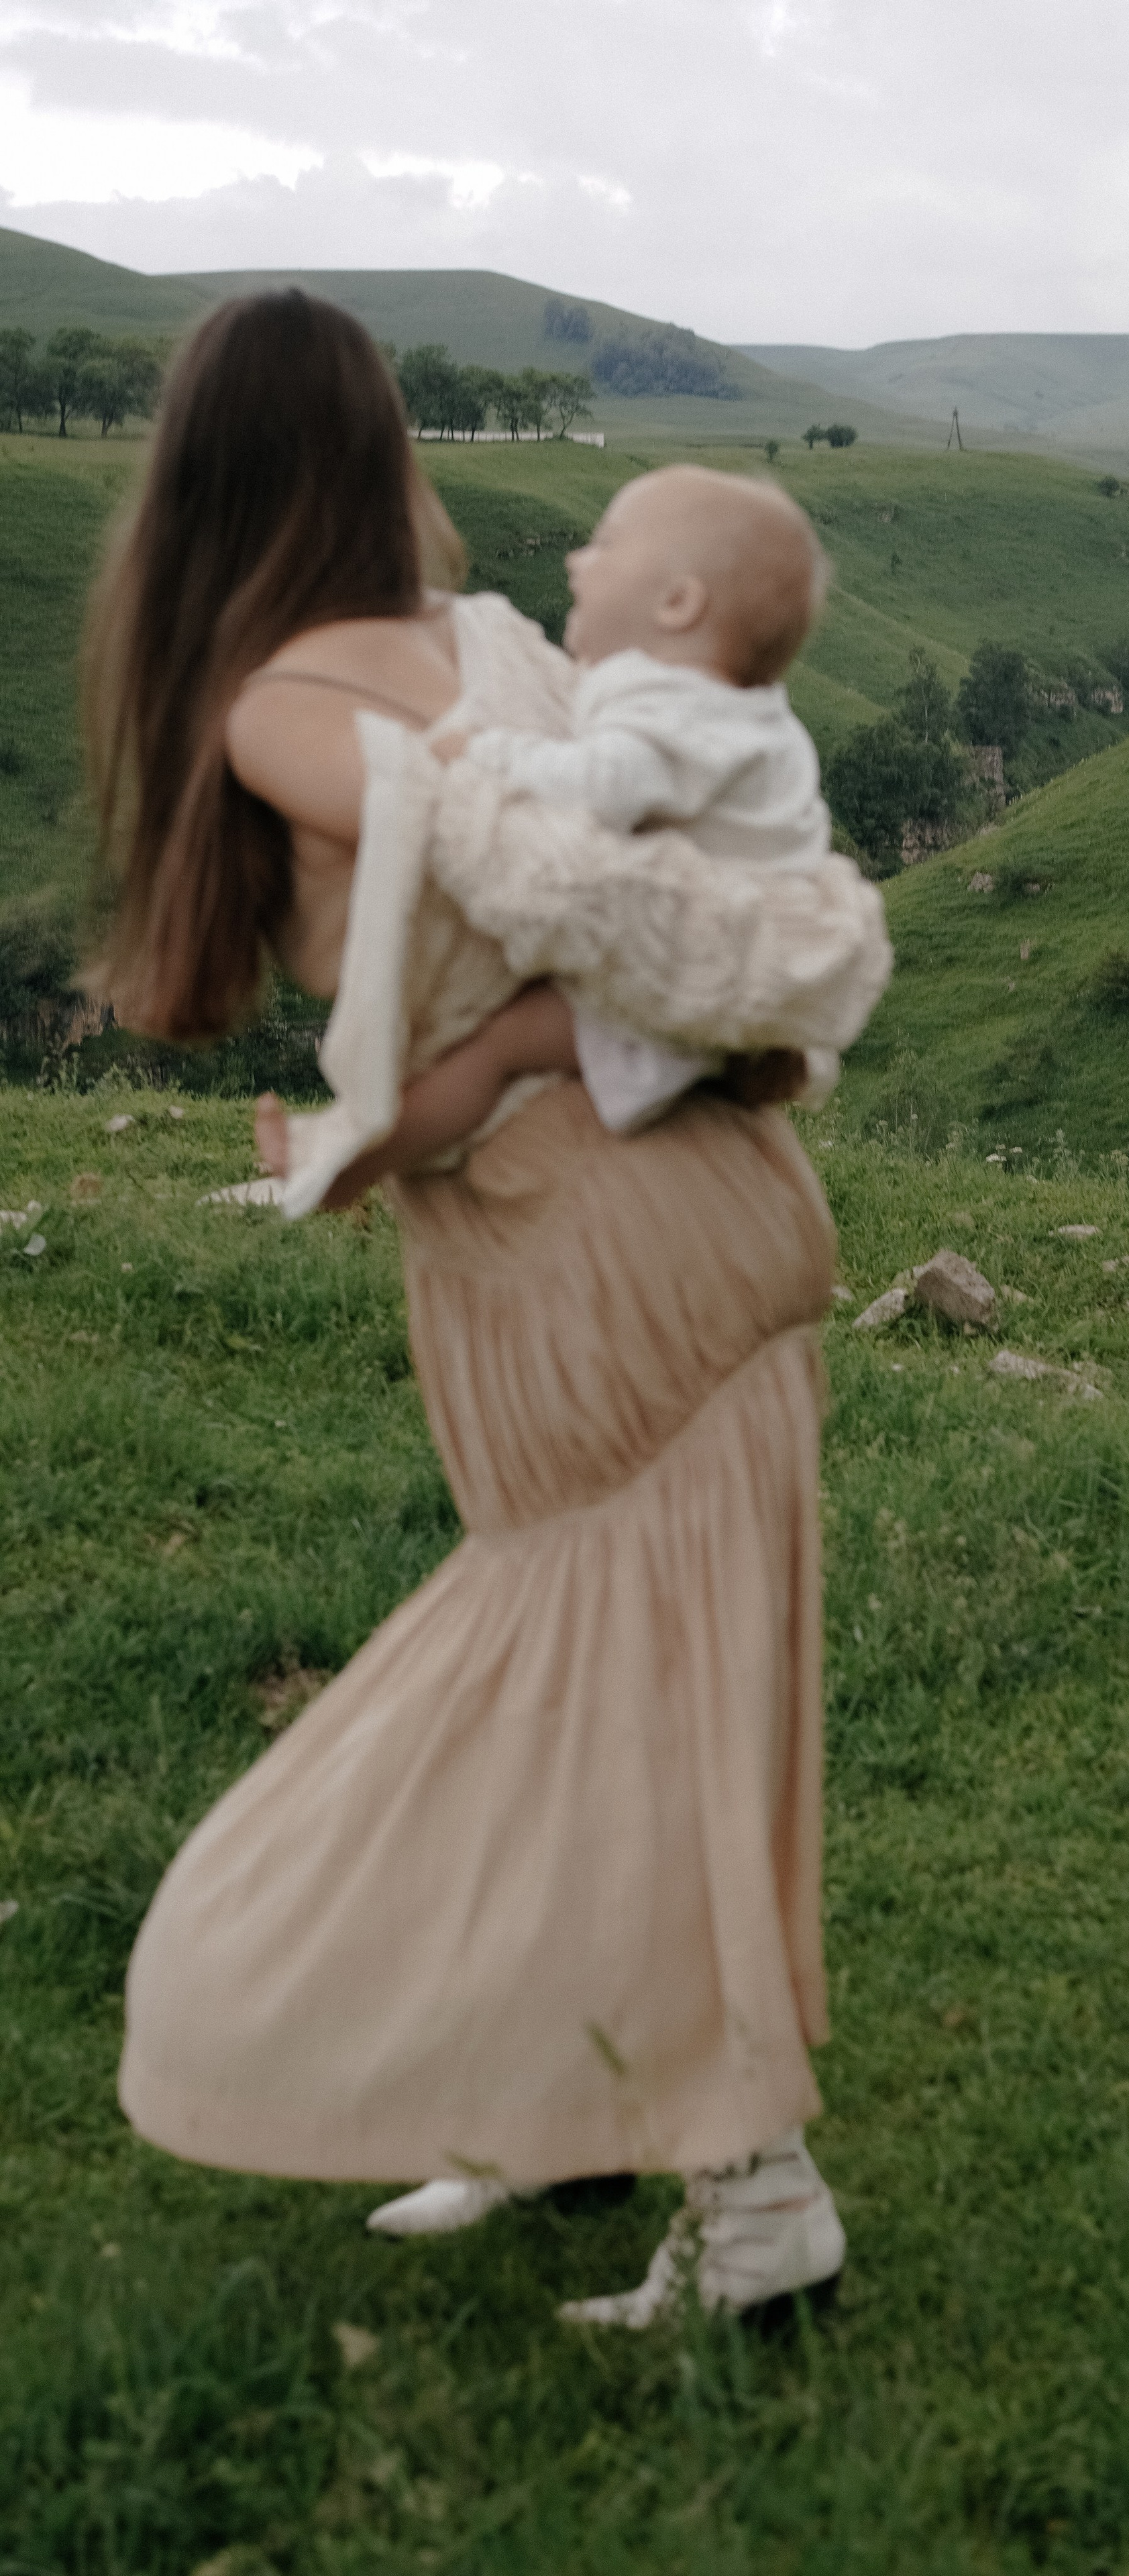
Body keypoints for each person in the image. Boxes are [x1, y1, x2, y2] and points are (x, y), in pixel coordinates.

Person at [95, 289, 885, 2325]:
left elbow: (532, 889)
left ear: (193, 481)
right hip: (629, 1213)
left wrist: (409, 1103)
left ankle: (754, 2184)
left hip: (599, 1242)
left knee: (611, 1692)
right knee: (629, 1688)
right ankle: (578, 2106)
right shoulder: (499, 641)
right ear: (370, 451)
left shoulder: (292, 702)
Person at [258, 464, 847, 1209]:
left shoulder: (673, 708)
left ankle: (343, 1166)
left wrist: (479, 751)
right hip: (736, 956)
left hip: (689, 966)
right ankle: (737, 1059)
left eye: (604, 545)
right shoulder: (755, 716)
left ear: (677, 602)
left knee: (495, 1051)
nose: (576, 559)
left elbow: (604, 787)